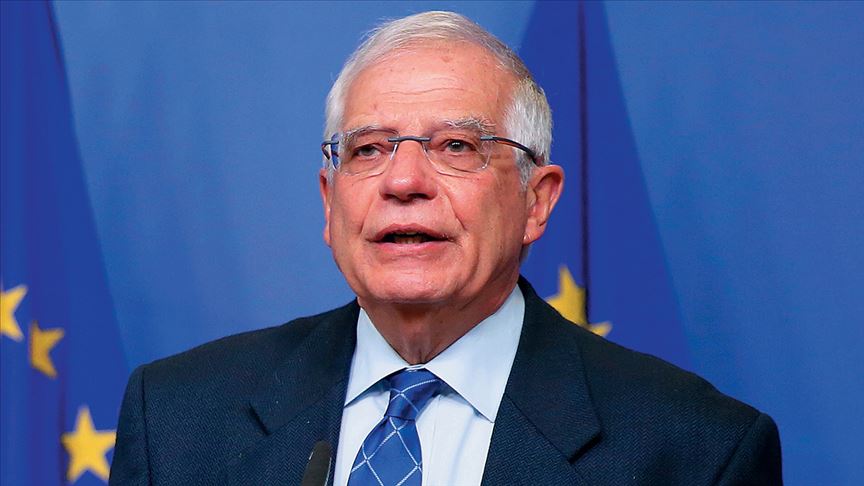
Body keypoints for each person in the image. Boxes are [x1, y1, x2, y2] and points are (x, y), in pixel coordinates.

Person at [110, 11, 782, 486]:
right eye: (368, 149)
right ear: (329, 200)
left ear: (537, 200)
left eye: (456, 147)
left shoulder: (695, 451)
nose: (403, 181)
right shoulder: (176, 418)